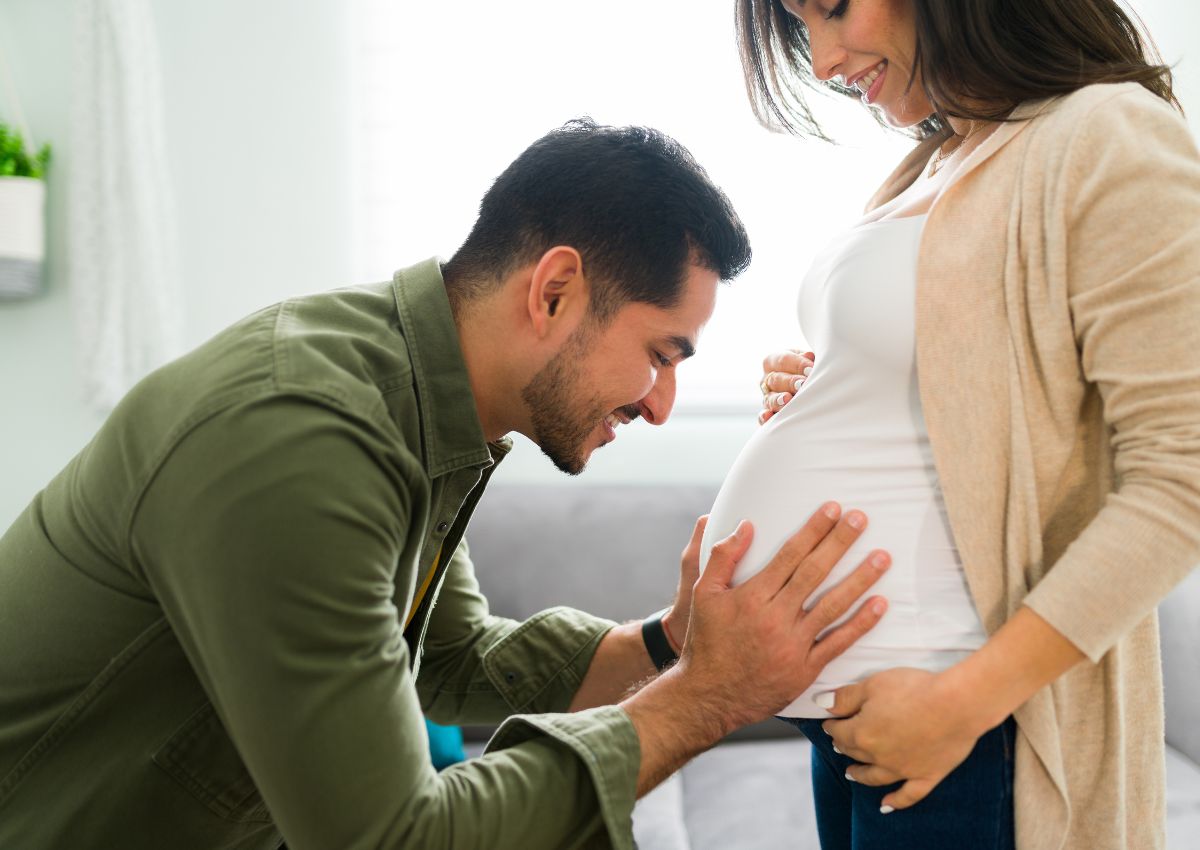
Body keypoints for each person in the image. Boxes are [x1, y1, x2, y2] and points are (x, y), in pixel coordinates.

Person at [0, 119, 893, 850]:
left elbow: (452, 661)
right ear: (554, 292)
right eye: (661, 355)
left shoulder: (420, 408)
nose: (662, 406)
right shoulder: (304, 435)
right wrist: (707, 696)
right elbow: (392, 839)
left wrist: (668, 640)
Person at [708, 1, 1200, 848]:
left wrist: (960, 704)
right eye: (800, 29)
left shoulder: (1108, 133)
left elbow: (1183, 476)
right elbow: (979, 392)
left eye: (832, 6)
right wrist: (837, 382)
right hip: (863, 725)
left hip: (961, 725)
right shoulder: (938, 157)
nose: (822, 61)